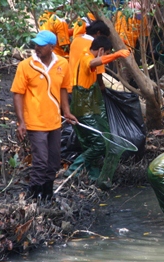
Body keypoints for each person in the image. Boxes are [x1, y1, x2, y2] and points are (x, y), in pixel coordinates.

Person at [11, 30, 78, 200]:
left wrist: (67, 112)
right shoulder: (26, 66)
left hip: (54, 122)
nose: (36, 48)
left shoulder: (62, 63)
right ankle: (33, 199)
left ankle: (47, 196)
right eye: (36, 44)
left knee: (54, 162)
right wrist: (21, 122)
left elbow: (64, 88)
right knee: (40, 162)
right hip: (34, 122)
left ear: (51, 47)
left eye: (41, 45)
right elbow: (17, 93)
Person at [66, 36, 130, 189]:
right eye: (105, 52)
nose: (105, 55)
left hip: (87, 107)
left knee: (90, 142)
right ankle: (72, 170)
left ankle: (93, 175)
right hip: (83, 109)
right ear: (101, 50)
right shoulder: (87, 57)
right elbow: (93, 63)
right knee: (99, 143)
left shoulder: (85, 52)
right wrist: (116, 55)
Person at [69, 20, 111, 93]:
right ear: (98, 33)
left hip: (71, 84)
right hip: (85, 89)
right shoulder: (96, 46)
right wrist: (102, 86)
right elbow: (98, 73)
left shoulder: (76, 39)